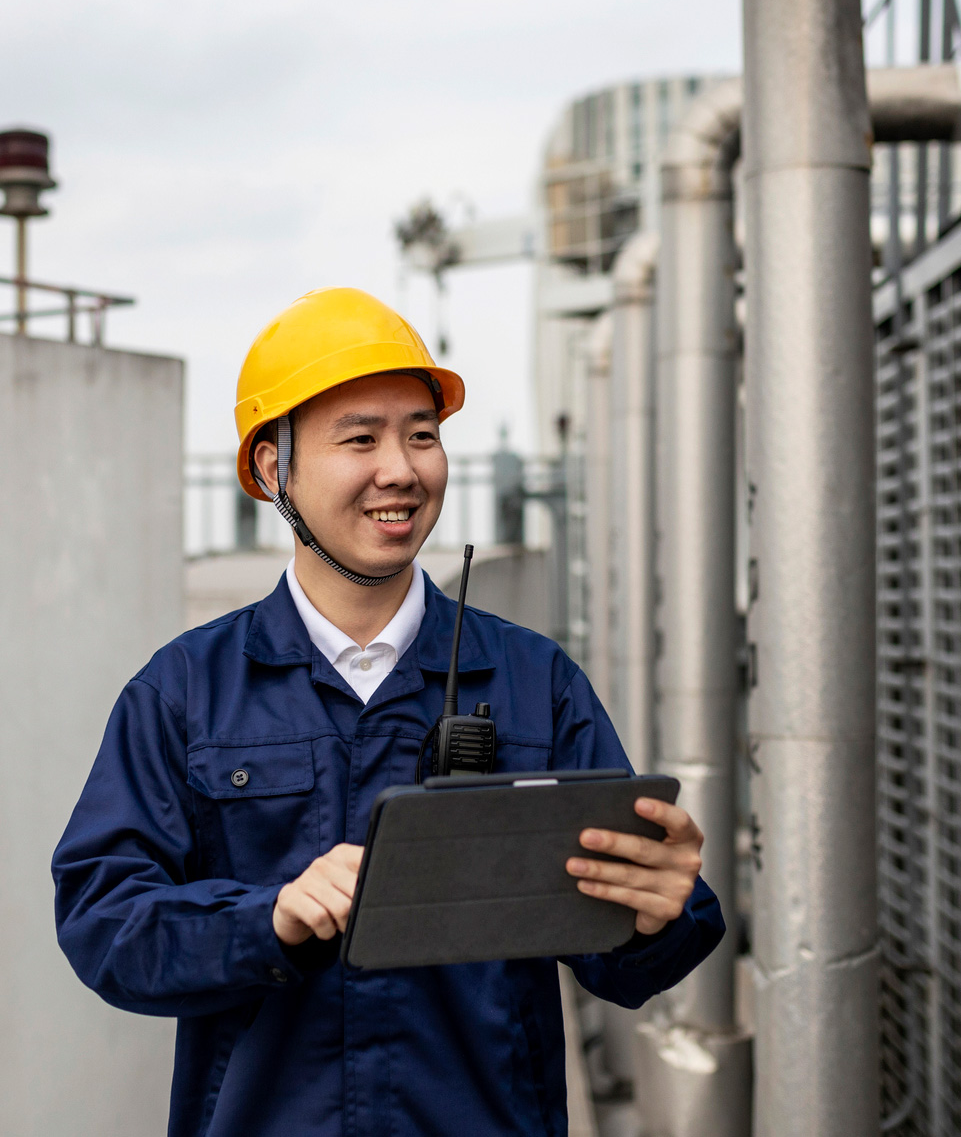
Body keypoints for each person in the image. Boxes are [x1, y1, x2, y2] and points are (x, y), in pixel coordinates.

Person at [52, 287, 724, 1137]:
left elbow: (621, 964)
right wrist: (269, 916)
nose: (401, 470)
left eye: (421, 434)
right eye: (360, 438)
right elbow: (105, 923)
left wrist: (658, 912)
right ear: (273, 469)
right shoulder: (185, 691)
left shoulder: (533, 681)